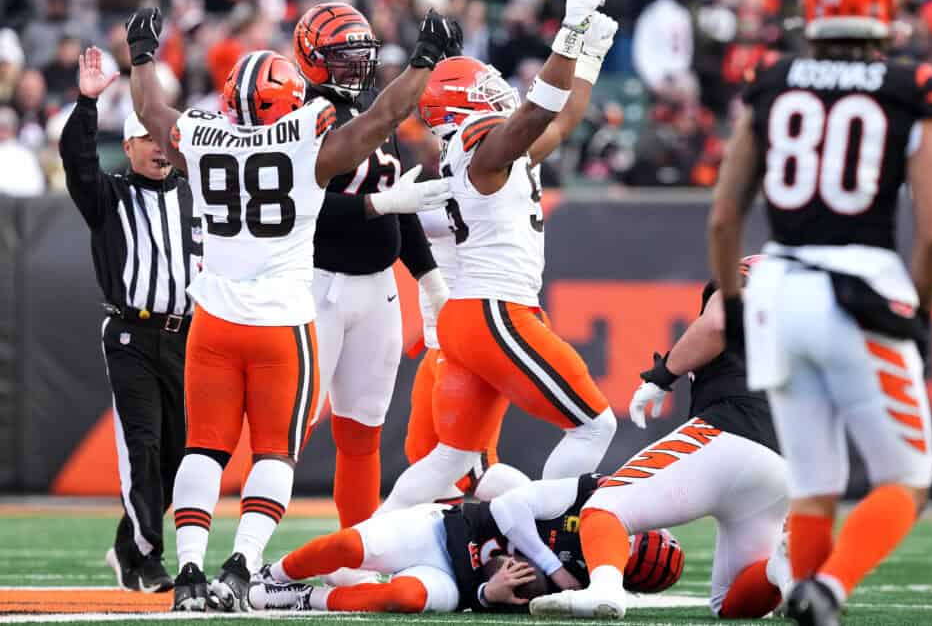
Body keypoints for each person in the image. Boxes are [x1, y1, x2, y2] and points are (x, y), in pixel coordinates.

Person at [123, 4, 457, 612]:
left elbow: (150, 111)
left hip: (217, 319)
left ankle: (192, 571)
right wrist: (426, 60)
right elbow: (388, 114)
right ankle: (243, 566)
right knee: (275, 450)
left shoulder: (199, 136)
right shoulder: (308, 140)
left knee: (205, 447)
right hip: (283, 319)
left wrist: (142, 55)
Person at [706, 0, 932, 624]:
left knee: (812, 484)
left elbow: (726, 217)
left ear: (811, 14)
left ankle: (807, 594)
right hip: (858, 287)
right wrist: (921, 313)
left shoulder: (773, 79)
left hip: (778, 290)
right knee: (908, 478)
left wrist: (732, 306)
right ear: (884, 16)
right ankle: (830, 587)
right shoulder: (912, 85)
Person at [377, 0, 622, 514]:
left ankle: (365, 544)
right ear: (465, 100)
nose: (496, 90)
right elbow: (538, 113)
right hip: (495, 311)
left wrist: (590, 58)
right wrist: (570, 34)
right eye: (485, 86)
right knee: (595, 424)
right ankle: (553, 534)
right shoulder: (484, 148)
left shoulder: (490, 150)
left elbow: (559, 121)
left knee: (452, 460)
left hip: (472, 316)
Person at [530, 257, 790, 620]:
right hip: (784, 459)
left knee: (604, 508)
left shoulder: (749, 273)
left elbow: (717, 322)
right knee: (731, 604)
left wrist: (663, 375)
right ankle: (779, 567)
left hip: (731, 427)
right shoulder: (817, 313)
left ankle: (605, 591)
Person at [291, 2, 454, 528]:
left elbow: (398, 202)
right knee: (289, 427)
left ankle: (354, 552)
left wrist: (431, 283)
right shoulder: (300, 119)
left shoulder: (371, 114)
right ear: (313, 59)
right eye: (343, 57)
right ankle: (246, 551)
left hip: (378, 289)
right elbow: (303, 206)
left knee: (363, 431)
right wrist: (374, 207)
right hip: (319, 285)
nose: (355, 67)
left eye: (361, 55)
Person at [59, 46, 200, 593]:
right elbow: (77, 162)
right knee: (142, 445)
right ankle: (150, 558)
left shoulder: (194, 195)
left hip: (188, 338)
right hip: (132, 334)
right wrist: (87, 102)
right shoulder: (110, 196)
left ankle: (128, 548)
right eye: (148, 140)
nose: (160, 150)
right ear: (129, 145)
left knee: (179, 456)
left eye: (165, 140)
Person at [247, 474, 682, 614]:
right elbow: (509, 508)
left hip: (457, 583)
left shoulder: (587, 592)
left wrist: (489, 595)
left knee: (404, 596)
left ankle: (304, 597)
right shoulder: (592, 497)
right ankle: (272, 572)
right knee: (347, 546)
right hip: (444, 529)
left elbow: (505, 603)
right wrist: (553, 567)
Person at [402, 205, 532, 507]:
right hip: (439, 342)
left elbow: (422, 217)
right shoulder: (454, 177)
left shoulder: (478, 182)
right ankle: (451, 539)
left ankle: (548, 519)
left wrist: (383, 203)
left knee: (475, 468)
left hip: (468, 340)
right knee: (423, 453)